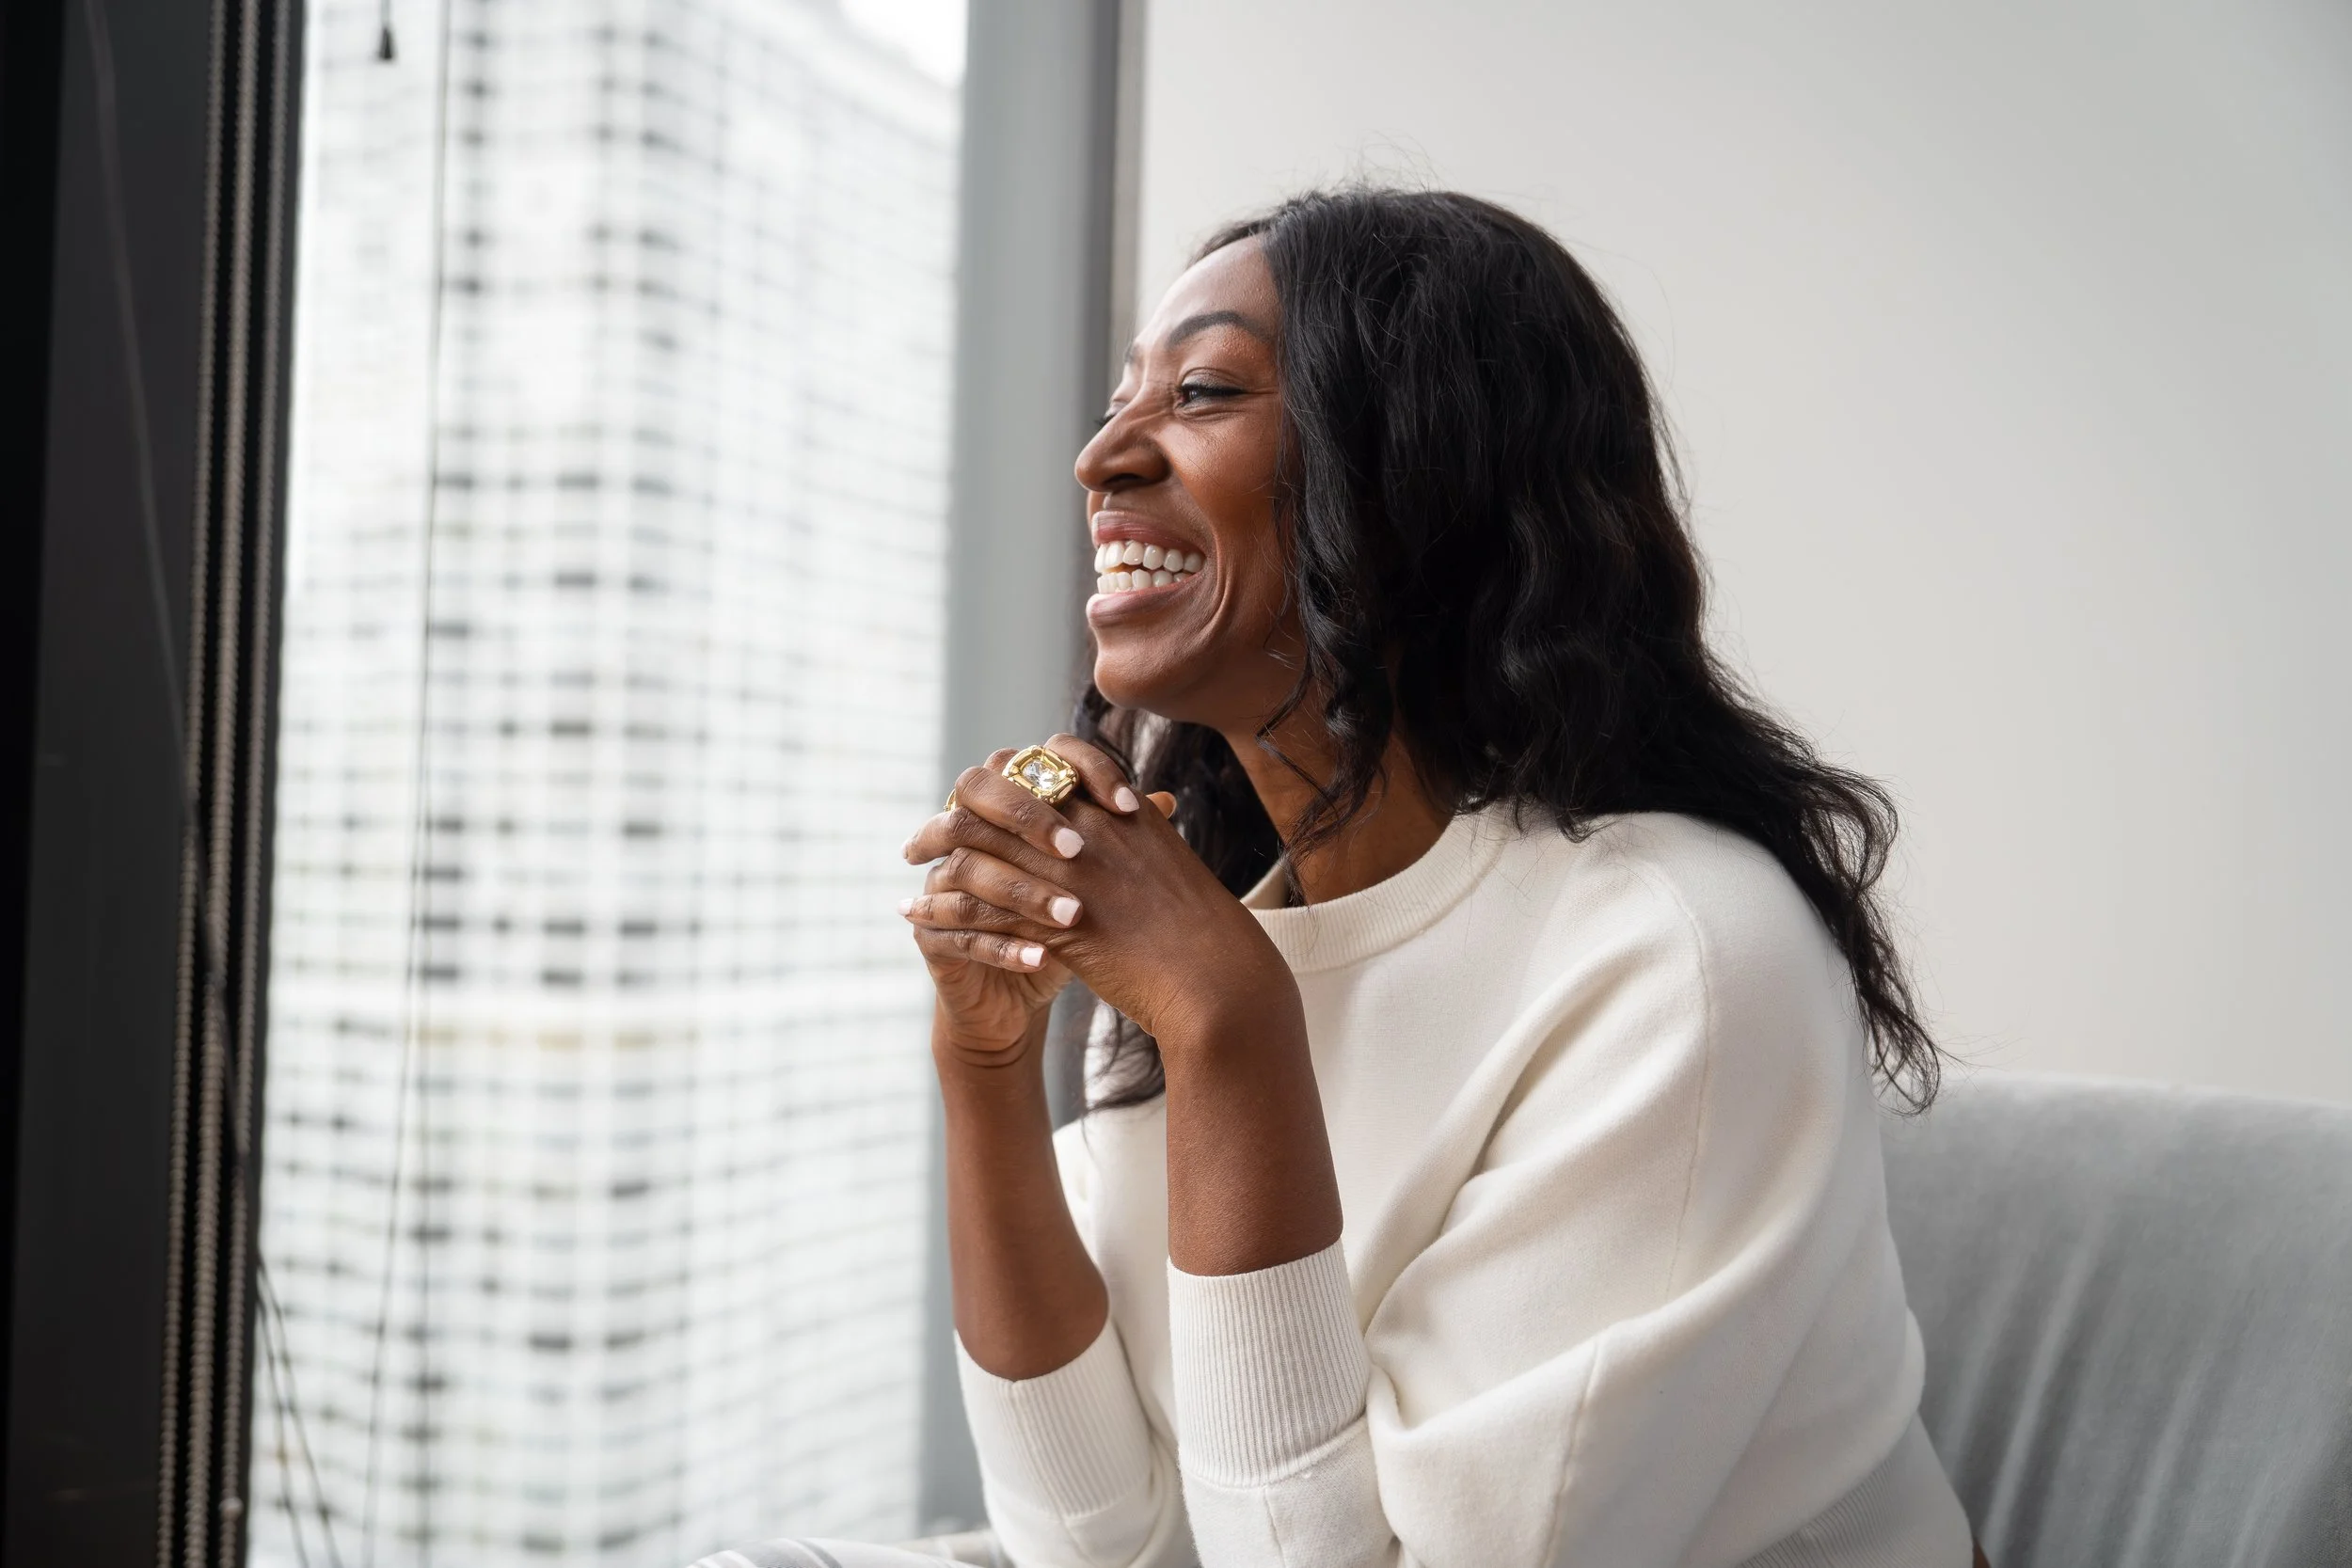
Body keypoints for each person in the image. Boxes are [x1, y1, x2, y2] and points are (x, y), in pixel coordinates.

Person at [721, 188, 1981, 1568]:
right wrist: (986, 1071)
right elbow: (1103, 1548)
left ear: (1418, 468)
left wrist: (1236, 1031)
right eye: (1116, 401)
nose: (1100, 458)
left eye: (1201, 390)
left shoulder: (1677, 952)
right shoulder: (1195, 943)